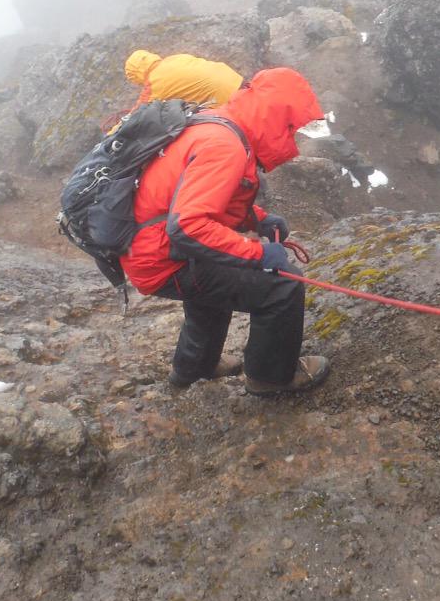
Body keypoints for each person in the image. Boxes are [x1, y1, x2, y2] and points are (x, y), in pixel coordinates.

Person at [120, 67, 330, 394]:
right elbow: (188, 226)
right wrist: (259, 253)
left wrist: (256, 220)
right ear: (277, 119)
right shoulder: (226, 146)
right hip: (163, 258)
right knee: (280, 289)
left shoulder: (219, 121)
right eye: (294, 129)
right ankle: (271, 378)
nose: (295, 138)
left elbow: (202, 196)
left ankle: (193, 370)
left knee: (211, 293)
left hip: (145, 249)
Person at [123, 49, 245, 112]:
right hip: (237, 81)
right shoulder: (176, 58)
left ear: (137, 76)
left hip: (226, 101)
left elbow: (136, 115)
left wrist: (110, 135)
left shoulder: (154, 83)